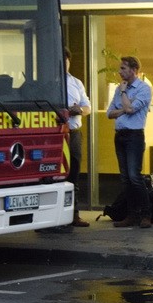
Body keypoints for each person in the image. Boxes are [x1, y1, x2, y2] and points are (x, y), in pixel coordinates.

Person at [106, 56, 152, 228]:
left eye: (123, 68)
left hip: (134, 136)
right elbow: (110, 113)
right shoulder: (118, 89)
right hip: (120, 135)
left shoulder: (143, 89)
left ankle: (146, 214)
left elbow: (131, 109)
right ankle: (131, 215)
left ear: (133, 70)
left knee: (135, 176)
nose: (119, 72)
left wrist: (125, 95)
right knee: (125, 178)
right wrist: (124, 108)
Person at [66, 48, 91, 228]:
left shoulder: (76, 83)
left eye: (66, 59)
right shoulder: (48, 84)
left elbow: (87, 107)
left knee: (74, 173)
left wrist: (80, 111)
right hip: (55, 134)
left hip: (73, 133)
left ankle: (74, 214)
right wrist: (67, 110)